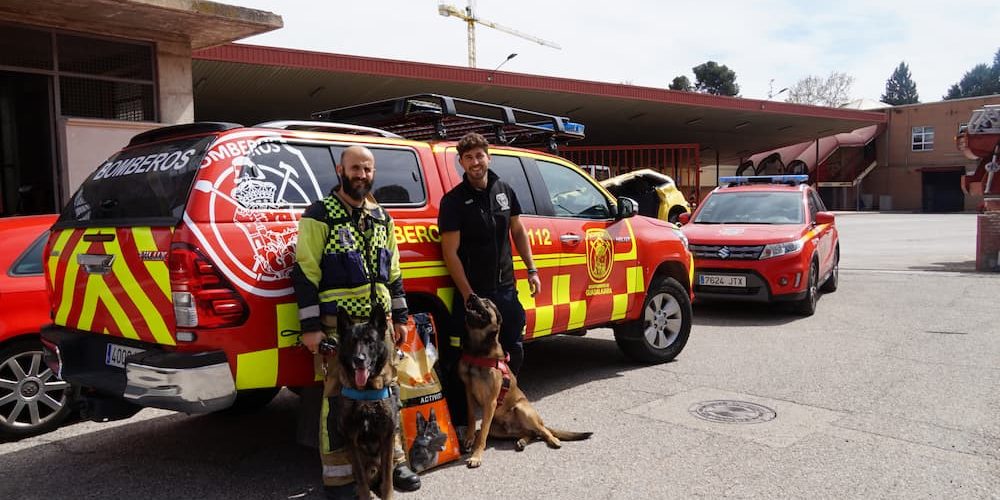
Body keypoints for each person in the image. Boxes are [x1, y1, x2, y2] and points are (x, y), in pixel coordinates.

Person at [292, 145, 421, 500]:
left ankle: (394, 465)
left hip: (380, 330)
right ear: (340, 170)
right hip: (340, 330)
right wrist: (311, 327)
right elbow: (305, 271)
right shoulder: (319, 214)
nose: (361, 175)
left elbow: (393, 271)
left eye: (367, 169)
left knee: (388, 394)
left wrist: (400, 316)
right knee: (336, 400)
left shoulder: (382, 216)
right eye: (355, 168)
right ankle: (339, 478)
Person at [437, 132, 542, 422]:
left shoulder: (504, 190)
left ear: (488, 157)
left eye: (479, 155)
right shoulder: (453, 202)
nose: (475, 162)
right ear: (461, 163)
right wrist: (469, 295)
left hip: (505, 289)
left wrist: (531, 269)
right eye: (468, 158)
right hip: (474, 296)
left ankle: (501, 409)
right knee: (464, 360)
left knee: (513, 349)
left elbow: (517, 231)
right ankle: (462, 422)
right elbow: (451, 253)